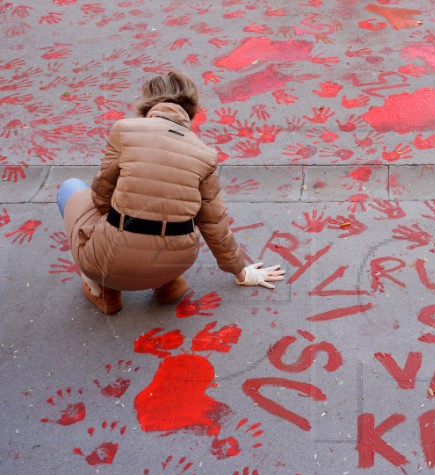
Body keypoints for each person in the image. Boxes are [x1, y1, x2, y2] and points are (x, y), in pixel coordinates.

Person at [57, 72, 284, 314]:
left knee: (70, 188)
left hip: (110, 262)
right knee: (169, 212)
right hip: (175, 263)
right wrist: (241, 272)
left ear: (147, 104)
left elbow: (100, 196)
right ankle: (166, 284)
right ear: (191, 110)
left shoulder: (125, 130)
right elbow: (214, 224)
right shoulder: (204, 154)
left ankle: (104, 291)